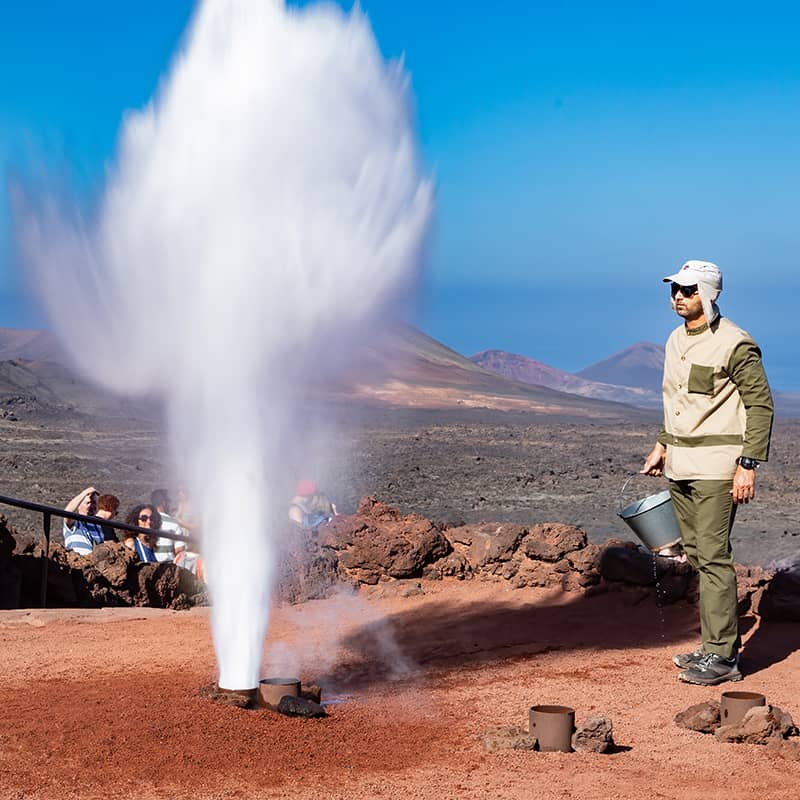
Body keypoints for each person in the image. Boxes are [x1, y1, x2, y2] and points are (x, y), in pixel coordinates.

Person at [641, 260, 773, 686]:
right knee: (697, 555)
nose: (678, 296)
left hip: (718, 468)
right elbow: (676, 400)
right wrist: (662, 444)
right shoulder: (675, 340)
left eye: (688, 289)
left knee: (714, 558)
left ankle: (723, 658)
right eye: (675, 289)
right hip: (680, 465)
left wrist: (747, 464)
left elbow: (760, 406)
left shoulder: (736, 343)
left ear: (709, 293)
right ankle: (712, 644)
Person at [63, 486, 104, 555]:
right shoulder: (74, 522)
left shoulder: (98, 525)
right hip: (76, 560)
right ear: (79, 505)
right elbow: (67, 512)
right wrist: (85, 493)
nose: (91, 505)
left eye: (94, 503)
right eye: (88, 503)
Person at [150, 489, 186, 563]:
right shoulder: (173, 523)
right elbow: (180, 549)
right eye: (169, 502)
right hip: (168, 565)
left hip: (148, 564)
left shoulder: (145, 521)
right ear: (164, 503)